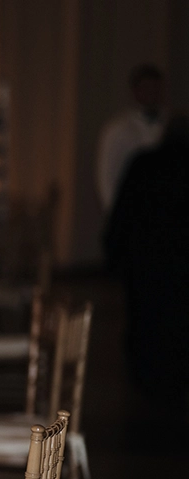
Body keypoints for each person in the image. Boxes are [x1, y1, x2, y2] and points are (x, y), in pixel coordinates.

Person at [104, 115, 189, 425]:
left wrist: (115, 253)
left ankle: (148, 380)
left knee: (146, 321)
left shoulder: (144, 163)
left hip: (146, 263)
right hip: (179, 265)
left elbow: (123, 212)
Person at [96, 64, 165, 212]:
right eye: (146, 88)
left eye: (156, 88)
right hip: (131, 211)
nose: (152, 93)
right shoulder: (118, 129)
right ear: (135, 91)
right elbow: (107, 177)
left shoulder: (167, 127)